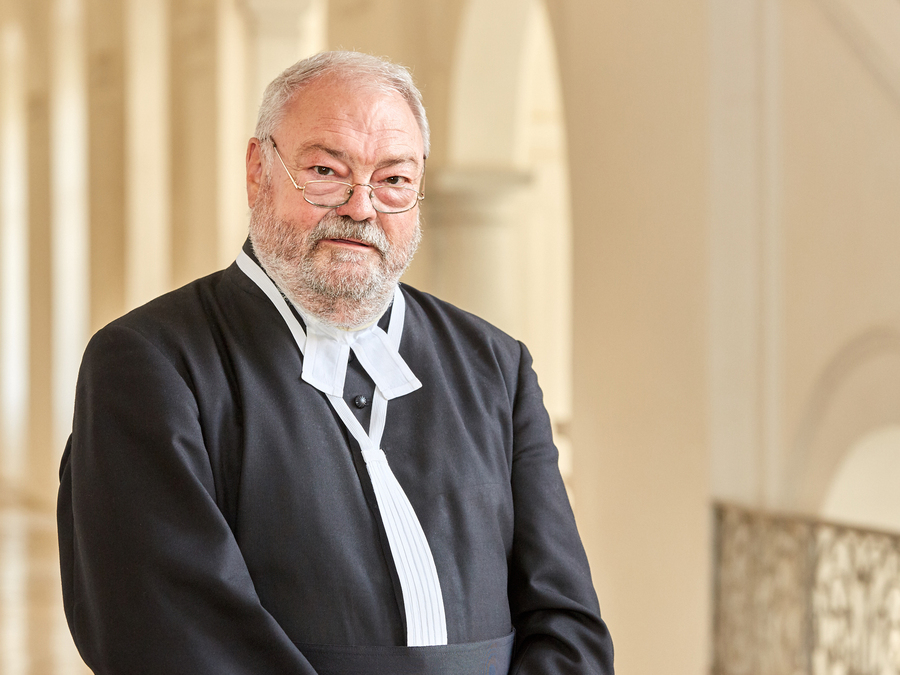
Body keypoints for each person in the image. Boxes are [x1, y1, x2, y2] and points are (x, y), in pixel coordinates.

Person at [57, 50, 614, 674]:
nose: (361, 207)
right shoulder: (147, 366)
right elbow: (176, 638)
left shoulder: (496, 366)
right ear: (257, 170)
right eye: (326, 170)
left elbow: (567, 623)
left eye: (394, 180)